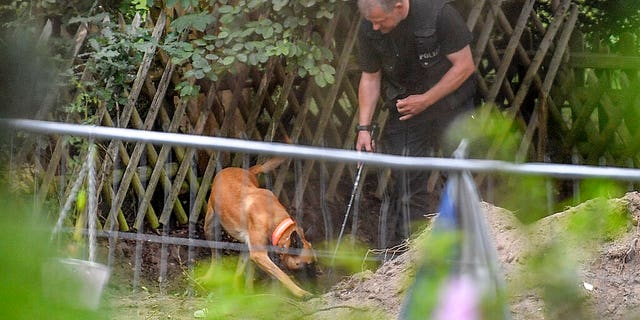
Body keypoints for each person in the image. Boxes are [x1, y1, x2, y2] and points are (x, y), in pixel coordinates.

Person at [355, 0, 477, 247]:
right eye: (372, 22)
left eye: (380, 21)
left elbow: (465, 66)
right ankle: (409, 251)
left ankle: (463, 245)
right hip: (407, 109)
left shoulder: (439, 15)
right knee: (407, 179)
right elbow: (370, 77)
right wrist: (364, 129)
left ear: (399, 7)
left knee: (458, 173)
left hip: (451, 105)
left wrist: (426, 99)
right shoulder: (370, 26)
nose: (375, 28)